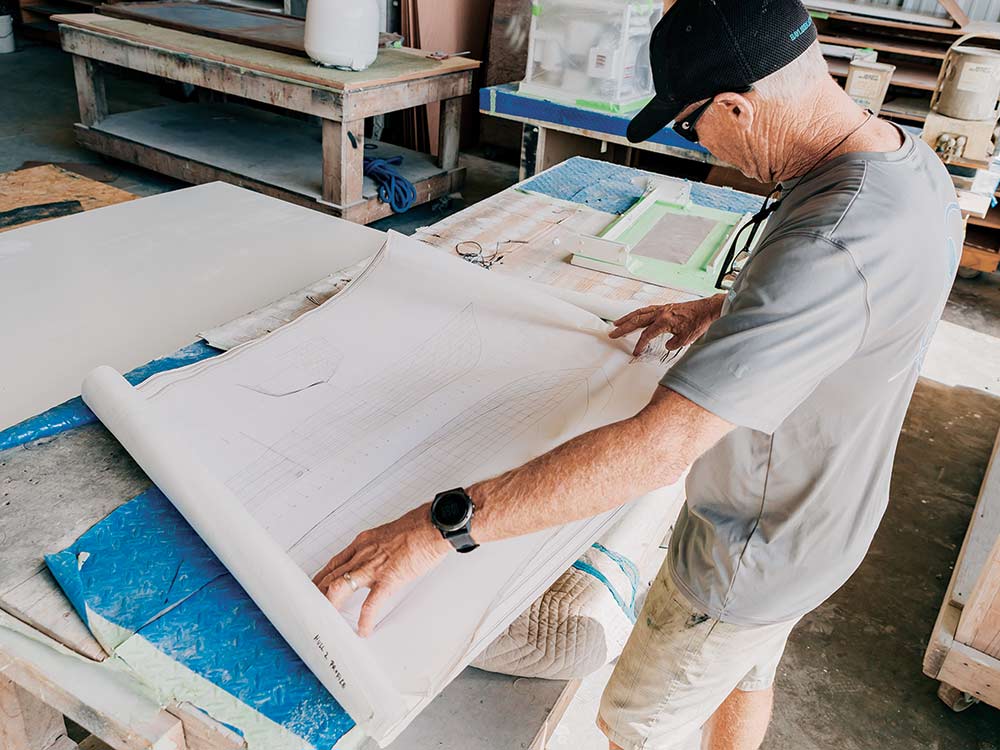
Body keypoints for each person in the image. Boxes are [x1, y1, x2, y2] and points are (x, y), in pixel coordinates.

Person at [313, 1, 964, 747]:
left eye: (691, 127)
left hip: (748, 549)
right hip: (823, 521)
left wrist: (434, 532)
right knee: (748, 673)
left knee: (635, 725)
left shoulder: (832, 241)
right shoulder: (900, 160)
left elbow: (660, 449)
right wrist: (731, 310)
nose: (695, 145)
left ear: (736, 106)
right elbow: (868, 296)